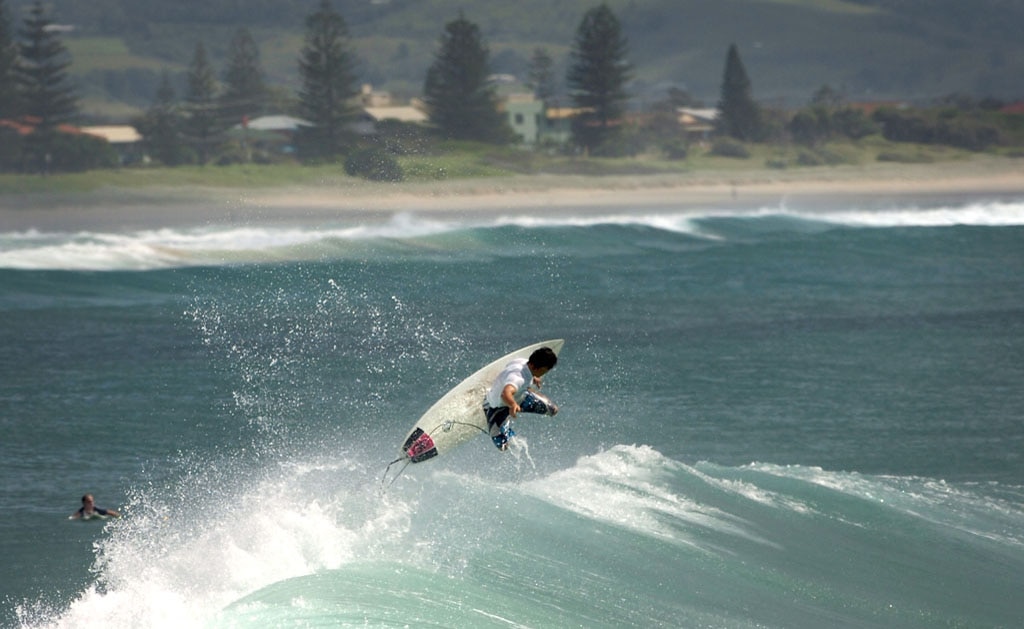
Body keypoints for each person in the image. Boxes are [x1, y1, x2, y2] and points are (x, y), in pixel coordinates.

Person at [483, 347, 560, 451]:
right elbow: (505, 393)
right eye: (543, 371)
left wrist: (534, 377)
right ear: (534, 366)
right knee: (503, 446)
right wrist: (513, 405)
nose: (544, 373)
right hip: (497, 406)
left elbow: (510, 370)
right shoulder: (518, 378)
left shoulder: (522, 362)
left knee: (552, 410)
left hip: (520, 397)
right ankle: (501, 423)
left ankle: (527, 392)